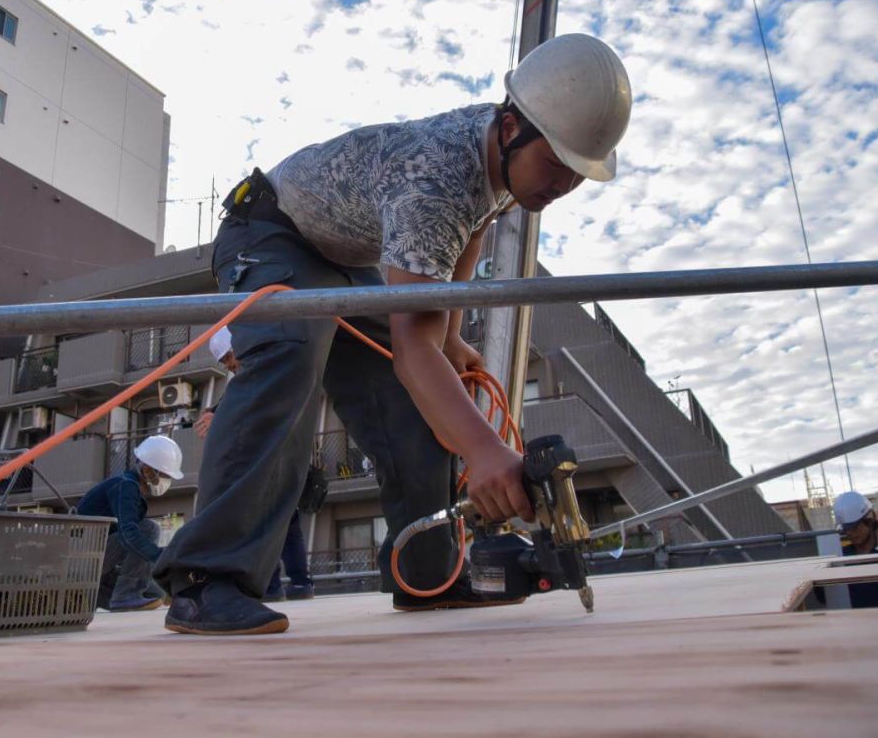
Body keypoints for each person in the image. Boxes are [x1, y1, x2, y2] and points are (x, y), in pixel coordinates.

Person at [153, 34, 632, 635]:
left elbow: (475, 228)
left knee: (416, 398)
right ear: (512, 128)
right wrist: (484, 451)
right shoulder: (436, 178)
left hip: (344, 256)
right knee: (291, 354)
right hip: (271, 233)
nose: (563, 185)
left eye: (578, 173)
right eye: (557, 164)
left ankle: (424, 575)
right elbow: (412, 345)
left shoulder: (499, 159)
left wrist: (451, 334)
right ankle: (206, 582)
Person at [194, 326, 314, 602]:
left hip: (268, 456)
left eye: (228, 357)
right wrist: (216, 412)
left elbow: (251, 406)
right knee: (286, 520)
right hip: (283, 454)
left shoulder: (260, 370)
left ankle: (270, 586)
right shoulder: (266, 365)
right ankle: (299, 583)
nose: (230, 365)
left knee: (259, 519)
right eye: (224, 362)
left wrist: (218, 416)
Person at [79, 435, 184, 612]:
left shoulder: (129, 487)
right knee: (149, 528)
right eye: (166, 475)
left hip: (98, 568)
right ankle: (125, 595)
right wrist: (162, 558)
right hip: (86, 559)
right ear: (149, 470)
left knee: (156, 594)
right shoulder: (125, 485)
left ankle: (110, 594)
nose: (167, 481)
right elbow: (129, 535)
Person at [833, 491, 878, 609]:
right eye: (847, 529)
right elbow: (826, 596)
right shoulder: (842, 556)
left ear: (869, 522)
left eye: (855, 527)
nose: (850, 533)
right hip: (847, 621)